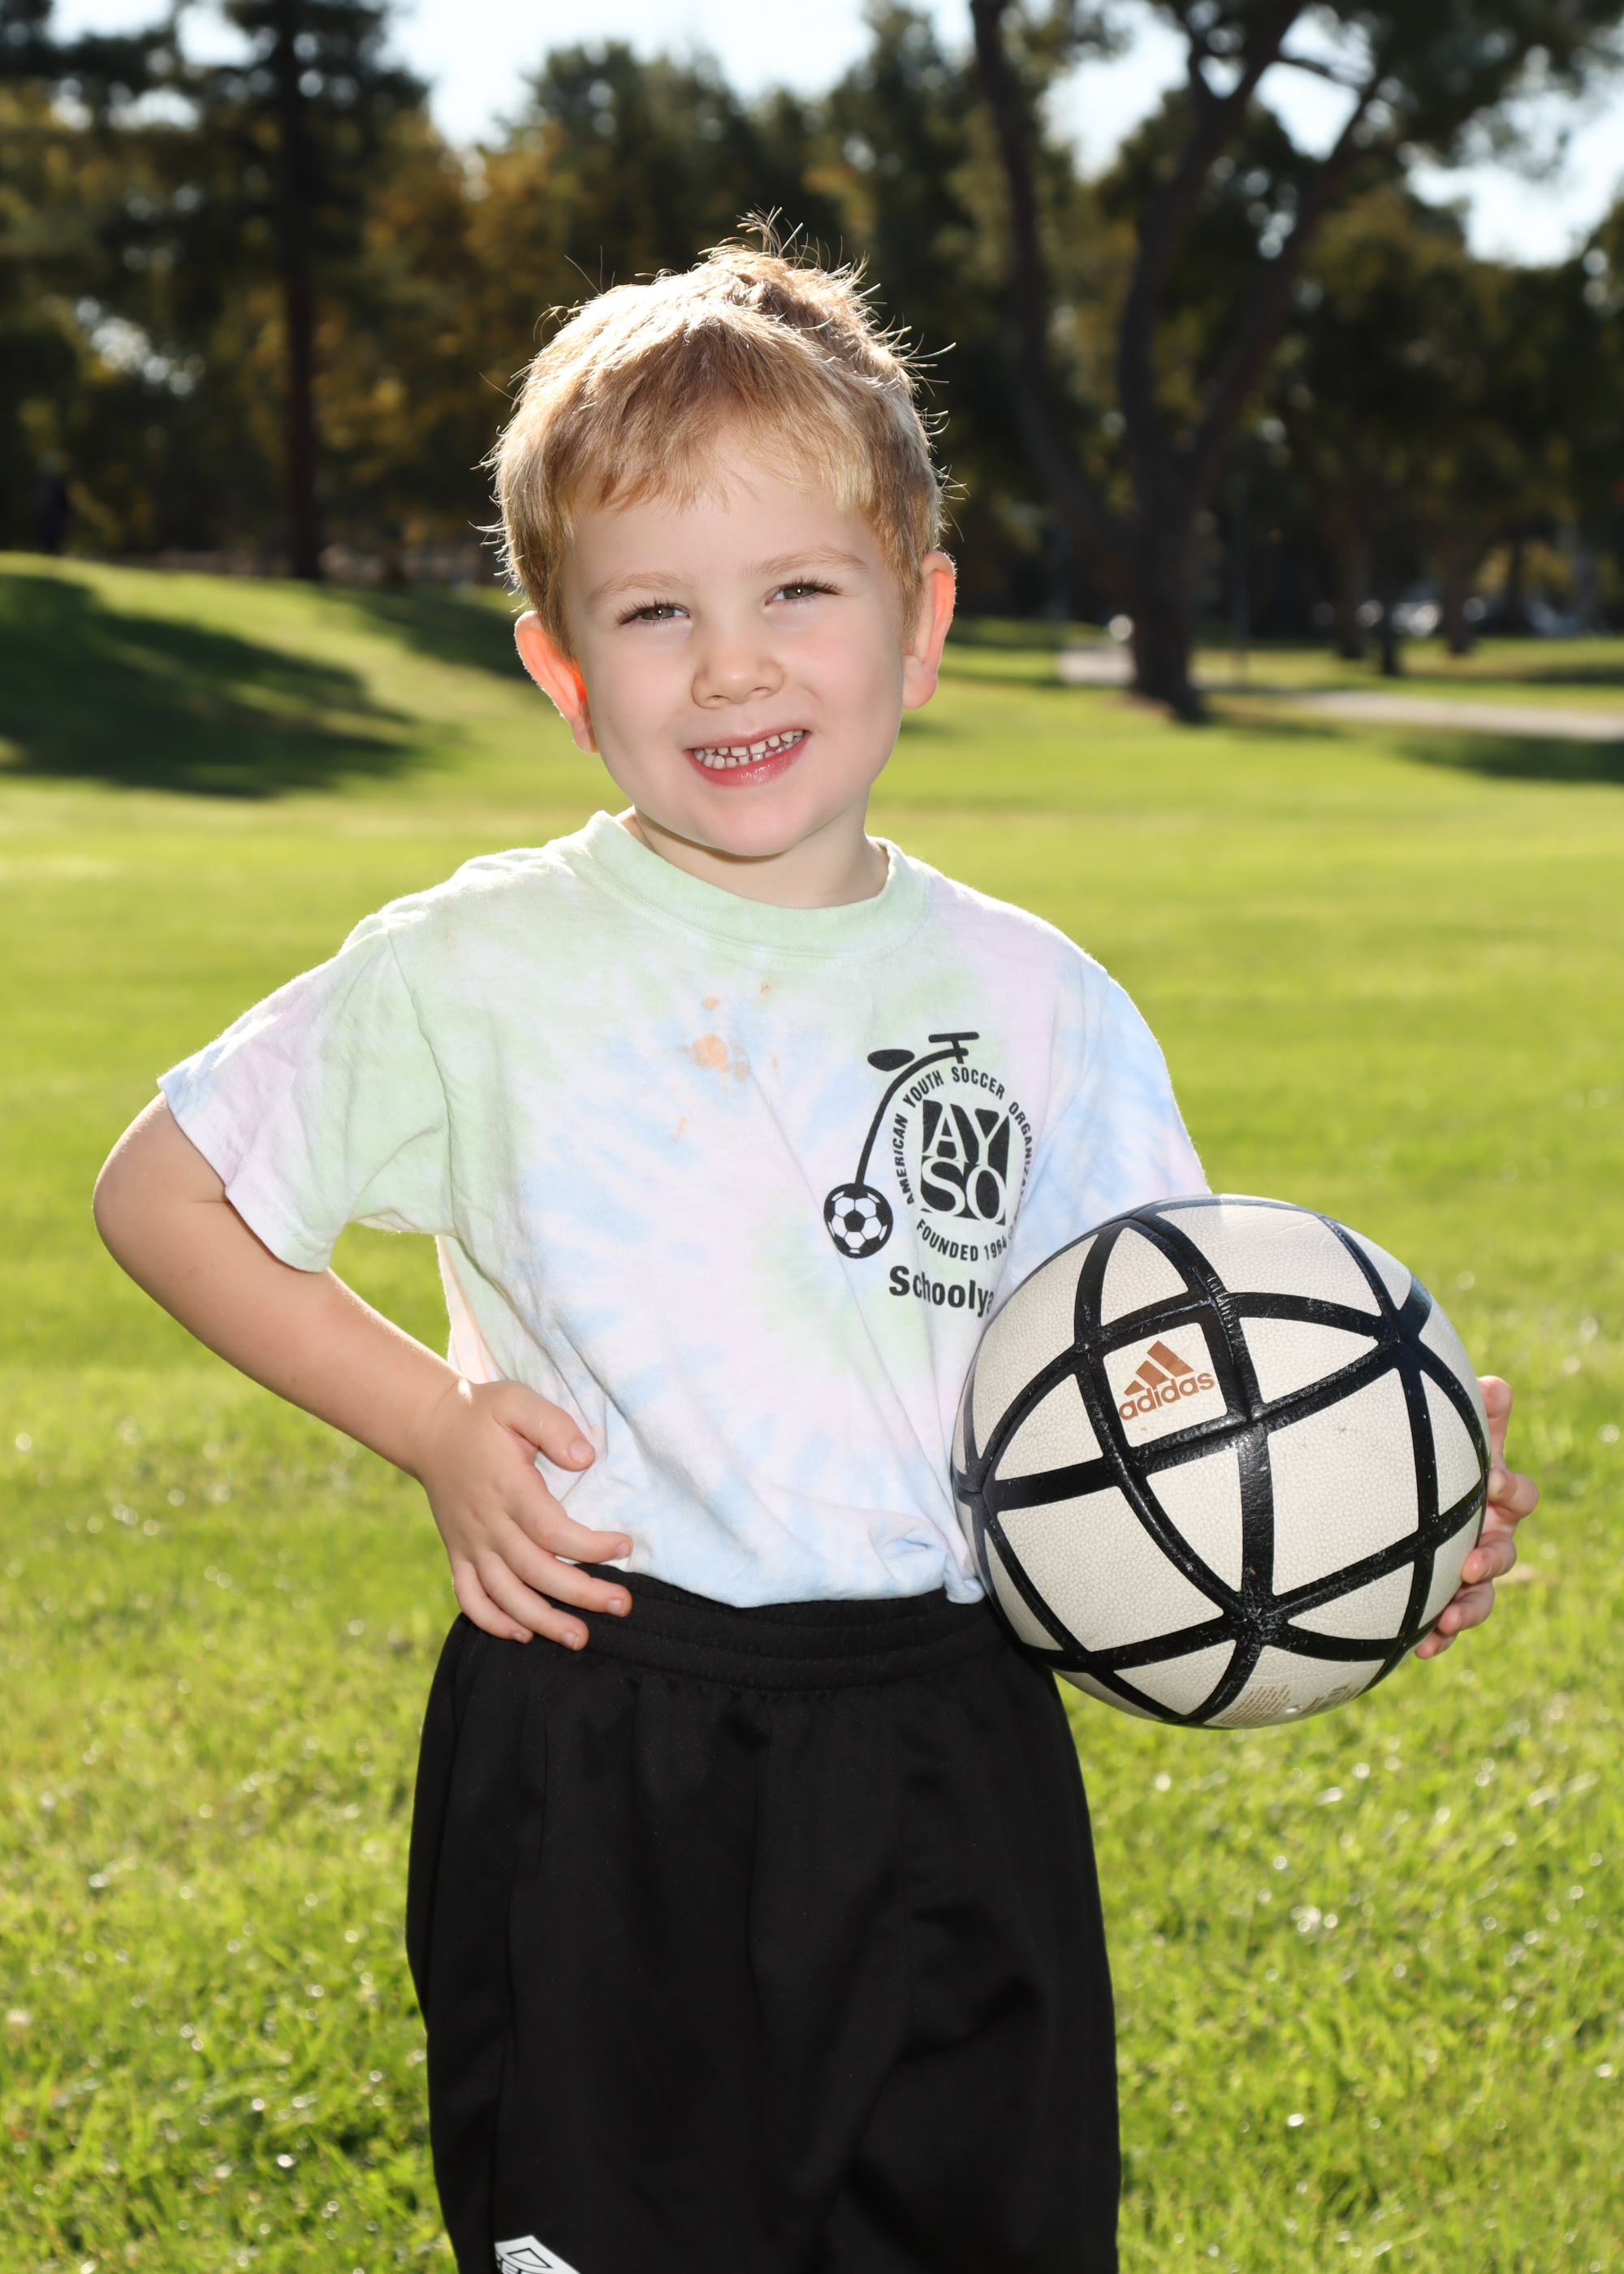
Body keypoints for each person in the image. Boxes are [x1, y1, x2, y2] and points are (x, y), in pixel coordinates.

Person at [92, 239, 1537, 2274]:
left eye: (798, 590)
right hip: (606, 1727)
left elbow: (1147, 1375)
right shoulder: (477, 967)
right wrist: (431, 1422)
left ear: (918, 619)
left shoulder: (1037, 1003)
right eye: (654, 611)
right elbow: (162, 1193)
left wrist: (1361, 1495)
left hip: (954, 1733)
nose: (732, 666)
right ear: (561, 669)